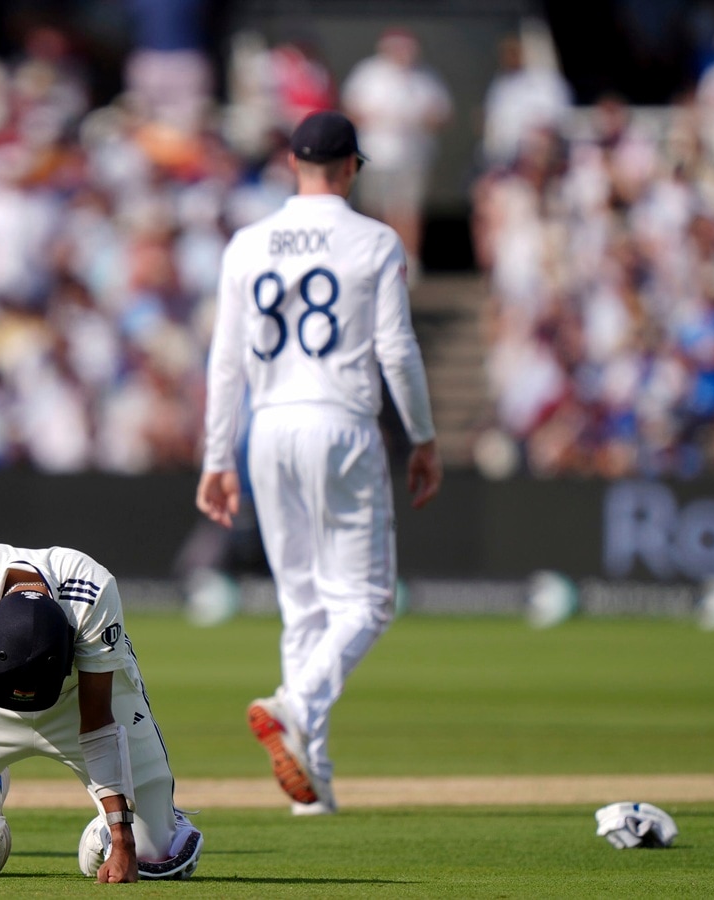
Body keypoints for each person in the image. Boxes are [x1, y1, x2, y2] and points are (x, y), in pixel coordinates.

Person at [196, 110, 442, 815]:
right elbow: (396, 349)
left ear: (292, 163)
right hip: (340, 420)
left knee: (302, 604)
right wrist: (423, 438)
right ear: (353, 167)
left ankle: (315, 780)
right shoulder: (374, 239)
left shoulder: (247, 243)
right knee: (365, 601)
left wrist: (218, 456)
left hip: (269, 426)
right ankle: (296, 707)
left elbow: (224, 362)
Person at [0, 544, 203, 882]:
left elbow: (99, 721)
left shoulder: (93, 590)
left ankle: (111, 826)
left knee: (155, 857)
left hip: (76, 697)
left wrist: (123, 840)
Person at [340, 29, 450, 279]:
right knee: (373, 208)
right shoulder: (368, 73)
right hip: (375, 155)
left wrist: (419, 120)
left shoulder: (425, 78)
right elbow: (351, 109)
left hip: (412, 156)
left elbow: (442, 115)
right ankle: (373, 257)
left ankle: (408, 262)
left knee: (407, 210)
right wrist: (378, 119)